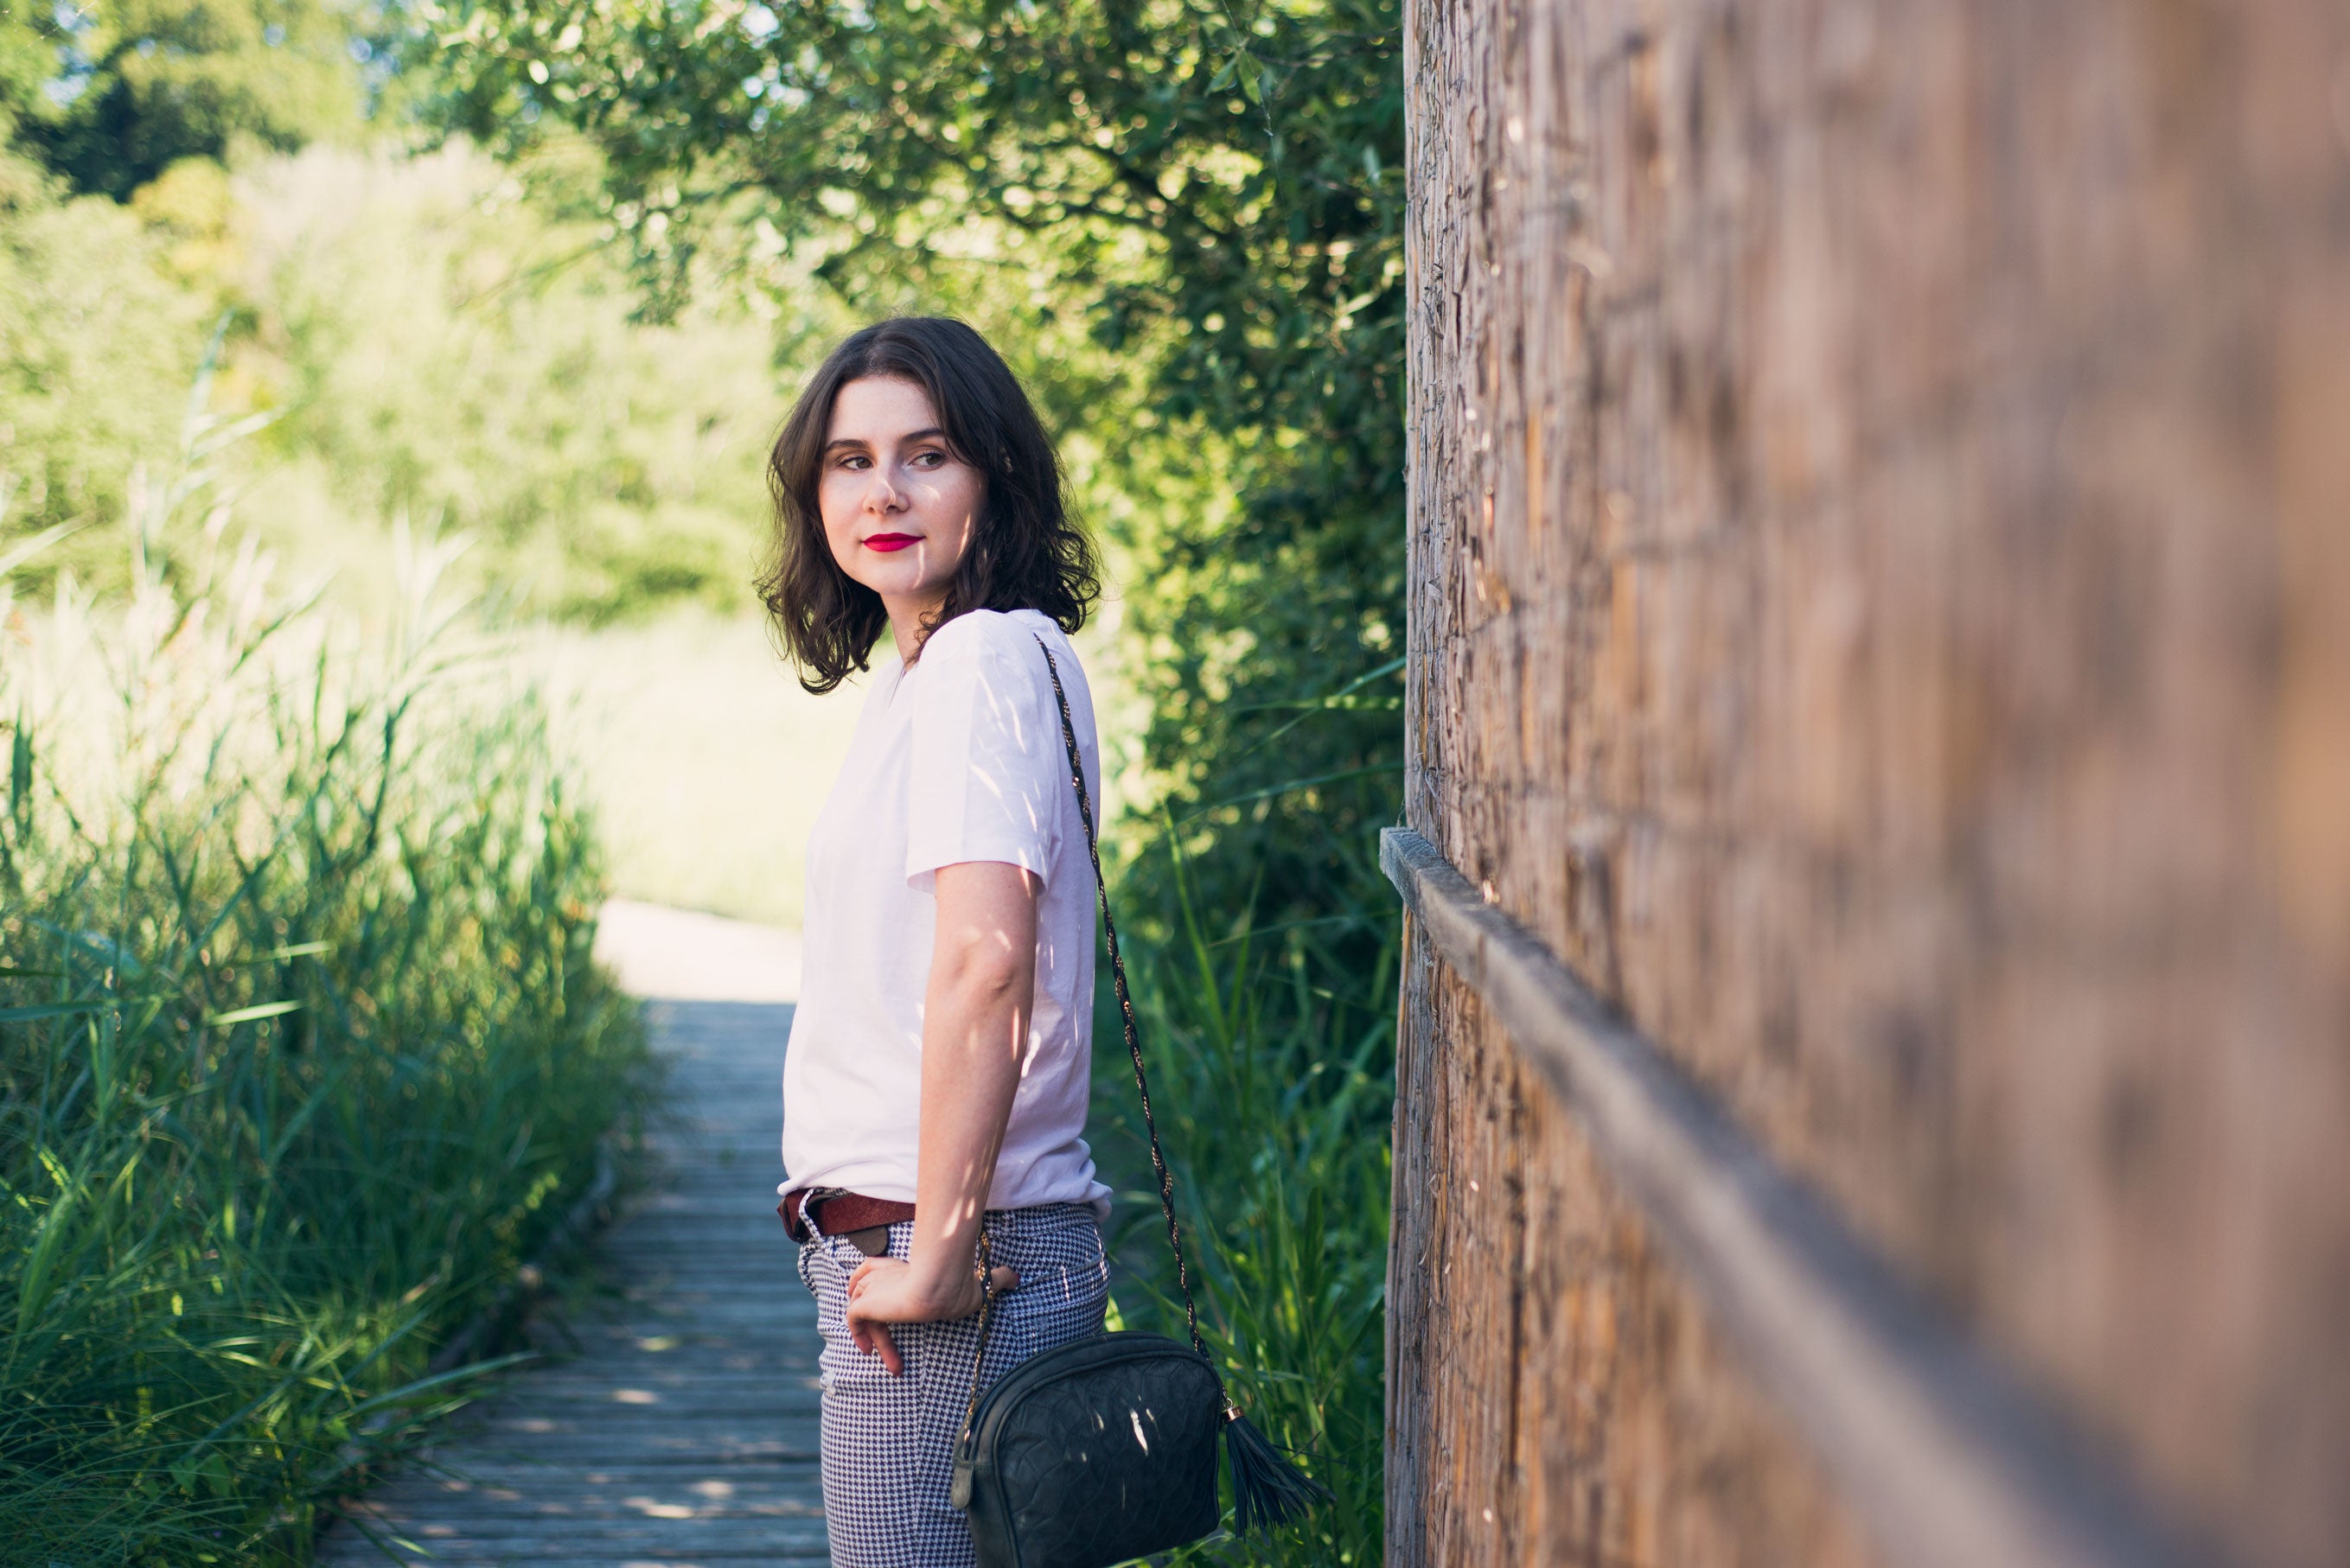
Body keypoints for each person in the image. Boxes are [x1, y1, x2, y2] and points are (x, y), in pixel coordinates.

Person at [760, 316, 1113, 1567]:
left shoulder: (974, 660)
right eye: (850, 460)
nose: (884, 491)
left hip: (953, 1257)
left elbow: (986, 961)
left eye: (928, 453)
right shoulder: (946, 669)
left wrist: (943, 1253)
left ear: (996, 475)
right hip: (948, 1240)